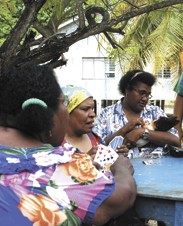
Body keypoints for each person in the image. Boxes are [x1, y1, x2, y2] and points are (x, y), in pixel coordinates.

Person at [0, 64, 137, 225]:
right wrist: (121, 168)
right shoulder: (59, 164)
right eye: (62, 103)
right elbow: (121, 198)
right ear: (45, 112)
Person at [94, 69, 180, 157]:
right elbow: (95, 147)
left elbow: (175, 141)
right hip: (120, 169)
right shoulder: (107, 114)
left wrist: (142, 132)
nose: (145, 99)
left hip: (154, 169)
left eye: (148, 95)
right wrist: (124, 130)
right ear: (127, 90)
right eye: (142, 93)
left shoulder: (155, 112)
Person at [61, 85, 128, 156]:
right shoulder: (54, 145)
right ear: (66, 113)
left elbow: (105, 164)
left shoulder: (95, 138)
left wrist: (114, 155)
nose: (93, 114)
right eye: (85, 109)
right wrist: (86, 159)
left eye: (92, 109)